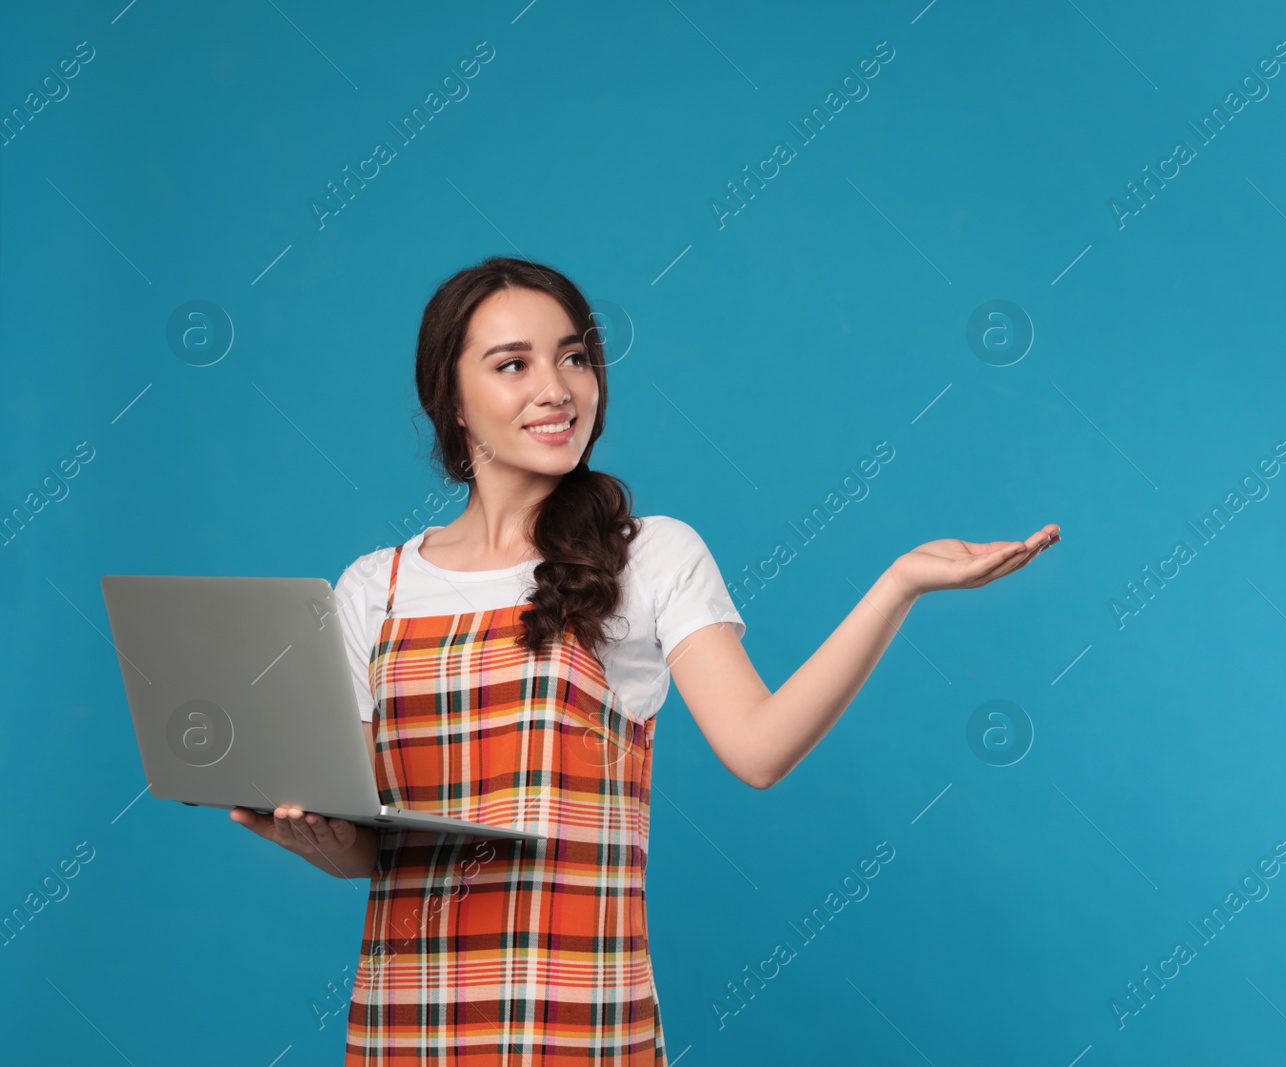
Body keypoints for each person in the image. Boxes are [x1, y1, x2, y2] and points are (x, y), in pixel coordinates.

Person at [229, 255, 1058, 1064]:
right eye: (512, 364)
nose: (556, 389)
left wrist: (898, 584)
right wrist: (309, 834)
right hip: (409, 1022)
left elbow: (760, 749)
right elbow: (372, 853)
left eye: (575, 357)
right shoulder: (377, 585)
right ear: (450, 399)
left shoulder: (648, 555)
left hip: (578, 1017)